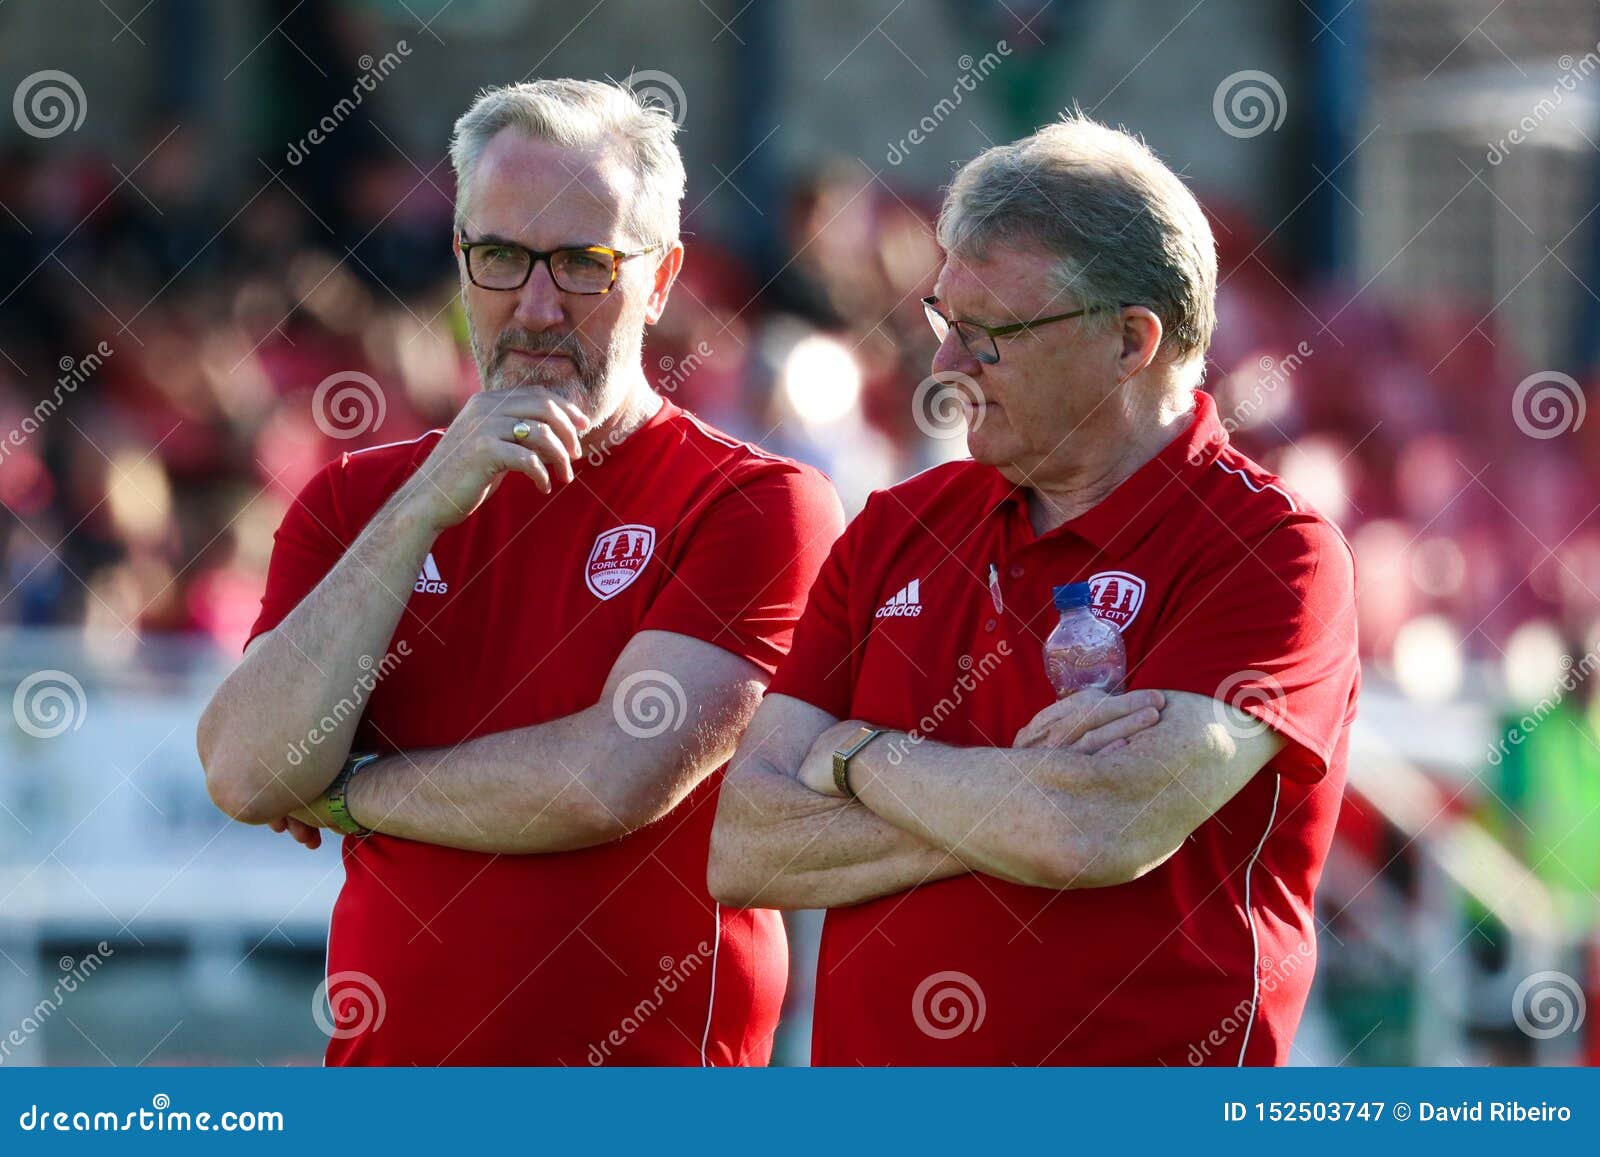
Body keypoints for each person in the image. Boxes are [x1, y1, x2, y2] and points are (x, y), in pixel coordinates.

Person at [196, 79, 843, 1066]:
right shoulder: (356, 501)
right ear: (460, 262)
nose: (536, 305)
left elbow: (602, 779)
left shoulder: (754, 500)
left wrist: (346, 790)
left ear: (661, 278)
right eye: (499, 255)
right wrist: (416, 509)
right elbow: (245, 767)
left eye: (584, 264)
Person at [707, 114, 1361, 1066]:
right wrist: (1022, 806)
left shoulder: (1273, 552)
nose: (944, 365)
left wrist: (856, 758)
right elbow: (745, 845)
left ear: (1132, 340)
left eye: (990, 335)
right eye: (943, 321)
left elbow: (1096, 827)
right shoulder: (896, 527)